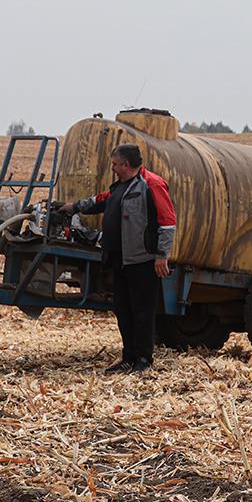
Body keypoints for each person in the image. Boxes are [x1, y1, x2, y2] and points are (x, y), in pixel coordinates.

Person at [60, 143, 177, 373]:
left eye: (115, 164)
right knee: (123, 310)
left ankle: (143, 360)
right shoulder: (120, 187)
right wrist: (74, 207)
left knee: (142, 311)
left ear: (125, 164)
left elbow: (167, 222)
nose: (112, 168)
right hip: (119, 259)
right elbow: (99, 201)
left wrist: (162, 255)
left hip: (142, 260)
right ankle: (128, 358)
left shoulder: (151, 184)